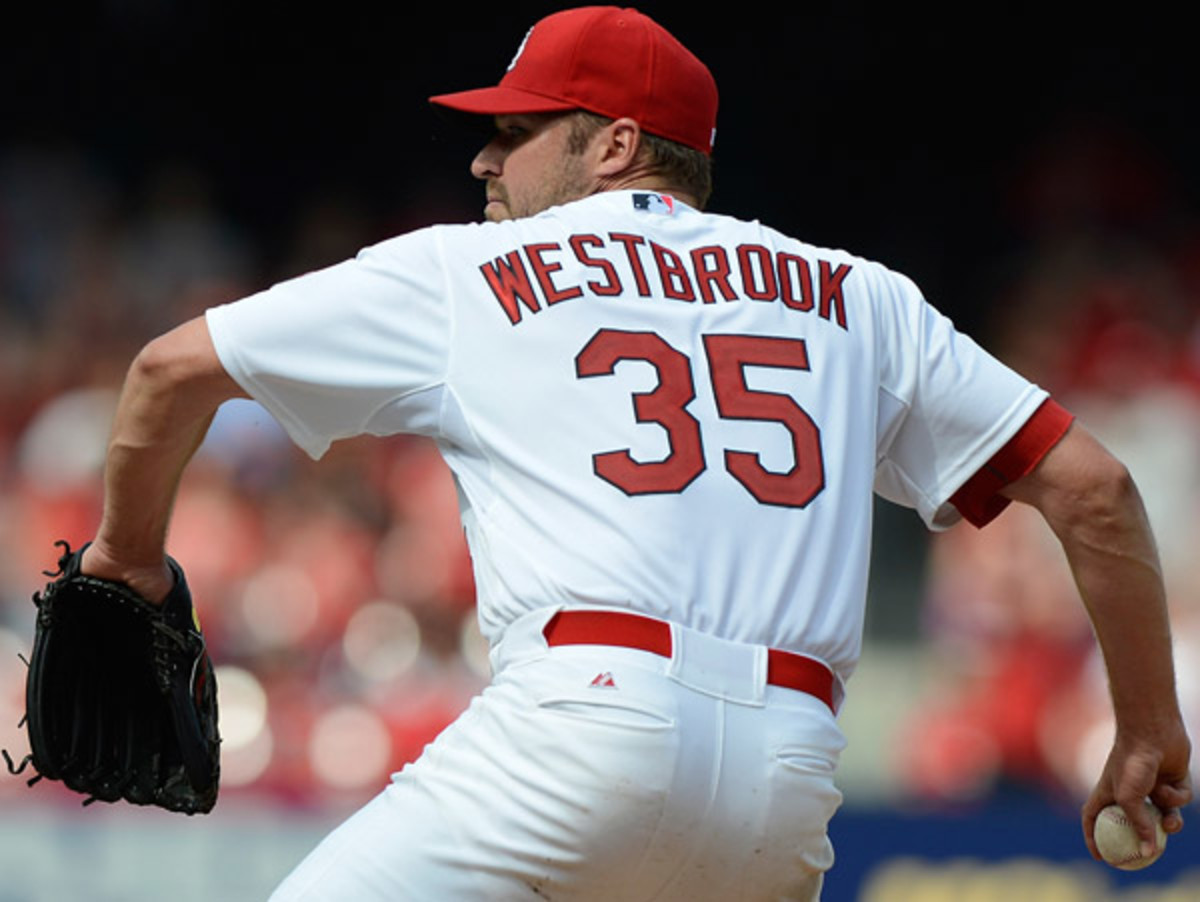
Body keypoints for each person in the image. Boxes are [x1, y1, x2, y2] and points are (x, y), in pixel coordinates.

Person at [77, 6, 1191, 900]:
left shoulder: (471, 273)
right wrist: (1148, 725)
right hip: (787, 779)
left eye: (516, 129)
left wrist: (125, 557)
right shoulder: (863, 297)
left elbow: (170, 372)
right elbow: (1093, 487)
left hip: (581, 725)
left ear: (612, 143)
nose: (482, 158)